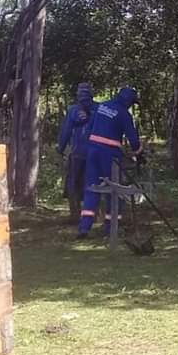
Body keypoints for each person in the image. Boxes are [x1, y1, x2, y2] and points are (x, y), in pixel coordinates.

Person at [77, 86, 141, 239]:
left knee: (92, 187)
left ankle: (84, 229)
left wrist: (90, 148)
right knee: (115, 189)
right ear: (129, 101)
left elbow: (89, 129)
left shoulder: (102, 106)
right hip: (110, 155)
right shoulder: (124, 114)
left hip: (92, 152)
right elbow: (133, 140)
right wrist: (139, 152)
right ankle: (110, 229)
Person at [57, 82, 97, 221]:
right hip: (95, 153)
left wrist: (61, 148)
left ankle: (75, 215)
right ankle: (93, 214)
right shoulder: (99, 109)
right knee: (93, 183)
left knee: (73, 183)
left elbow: (66, 131)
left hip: (78, 153)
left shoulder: (73, 110)